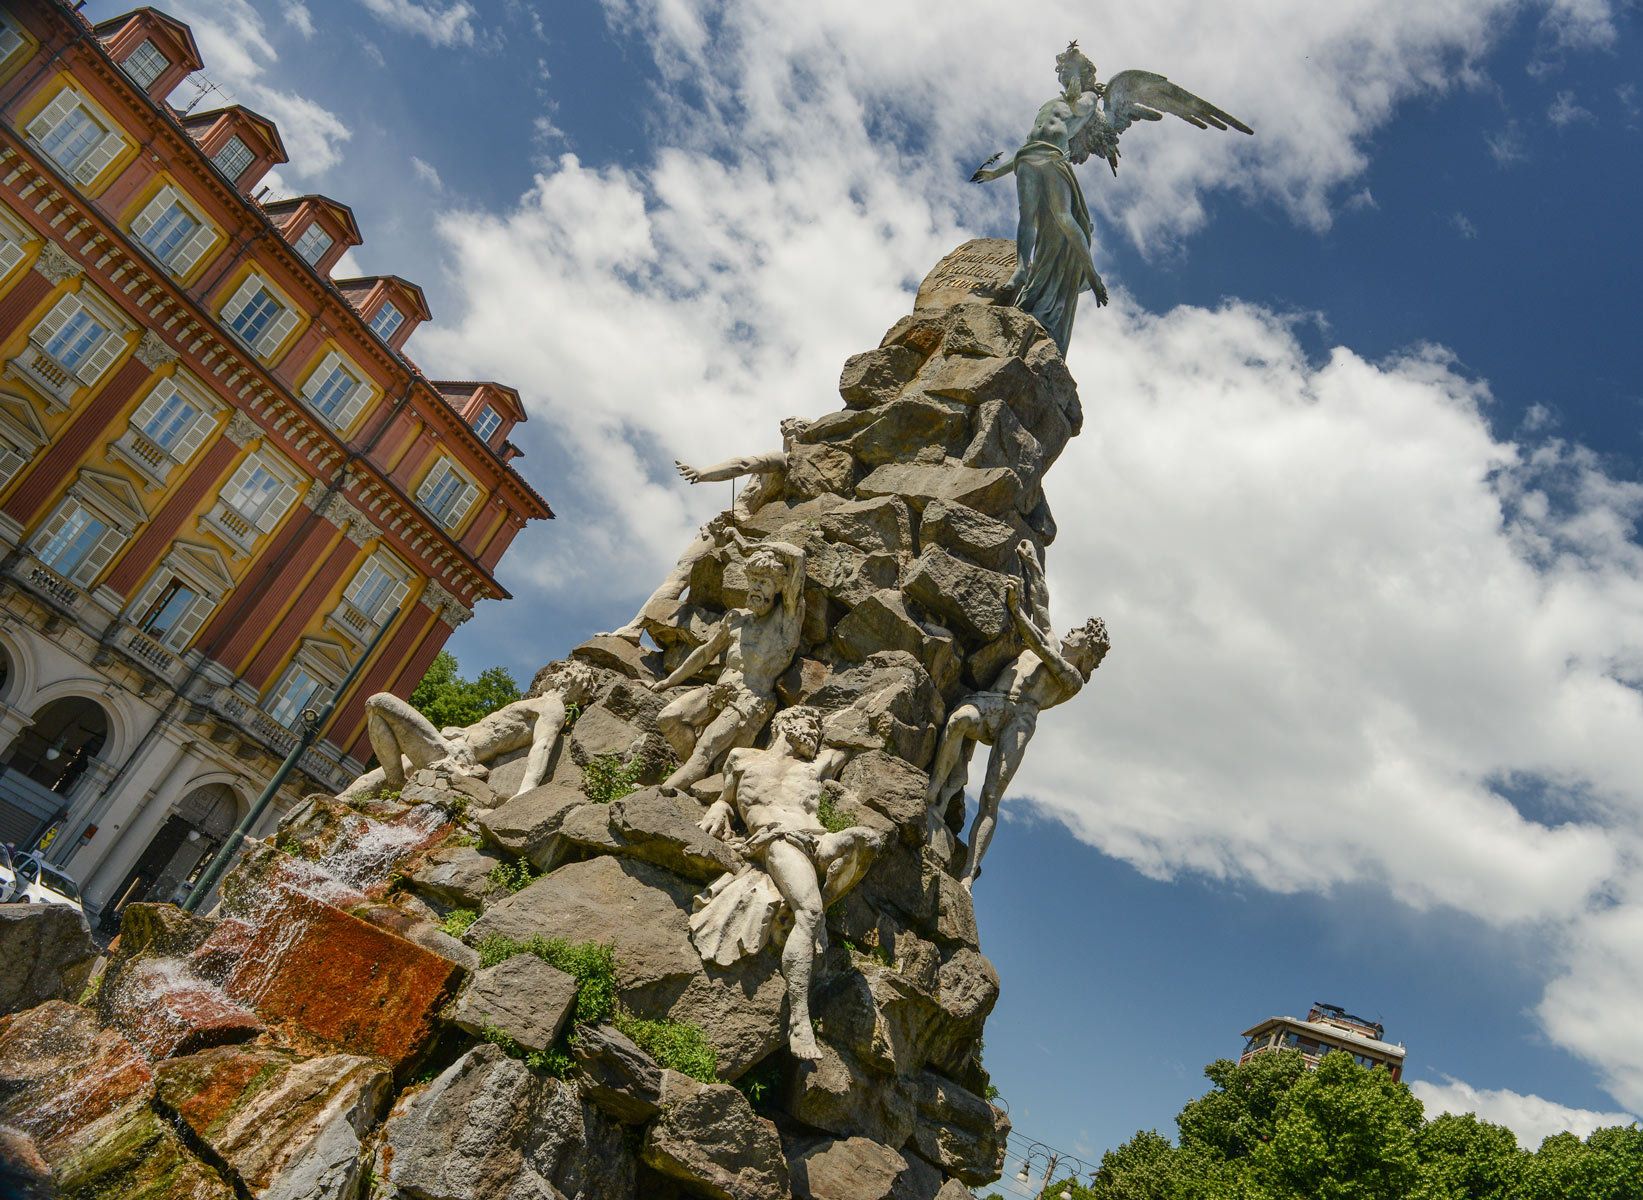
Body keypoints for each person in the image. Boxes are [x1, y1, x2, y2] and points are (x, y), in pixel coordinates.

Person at [689, 707, 885, 1060]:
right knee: (808, 912)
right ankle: (799, 1020)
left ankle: (822, 903)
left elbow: (859, 741)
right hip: (778, 839)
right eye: (808, 723)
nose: (814, 732)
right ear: (784, 722)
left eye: (818, 729)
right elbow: (725, 799)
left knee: (868, 841)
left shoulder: (815, 766)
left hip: (819, 839)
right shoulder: (742, 758)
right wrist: (720, 807)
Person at [926, 541, 1110, 890]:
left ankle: (968, 874)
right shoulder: (1052, 639)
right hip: (995, 701)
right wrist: (1031, 561)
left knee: (991, 797)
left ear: (1086, 648)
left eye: (1079, 632)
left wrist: (1014, 609)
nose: (1072, 630)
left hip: (1020, 721)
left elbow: (1039, 645)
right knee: (957, 721)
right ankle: (934, 794)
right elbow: (1041, 600)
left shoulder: (1072, 679)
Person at [607, 418, 811, 643]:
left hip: (732, 524)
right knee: (684, 576)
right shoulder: (800, 471)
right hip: (742, 527)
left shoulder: (781, 459)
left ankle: (636, 627)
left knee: (681, 574)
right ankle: (639, 627)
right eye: (789, 430)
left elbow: (742, 465)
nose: (789, 434)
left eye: (792, 430)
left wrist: (703, 474)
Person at [647, 537, 805, 791]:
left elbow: (797, 556)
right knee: (668, 718)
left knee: (706, 748)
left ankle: (666, 791)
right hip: (718, 690)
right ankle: (696, 771)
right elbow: (705, 653)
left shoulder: (787, 618)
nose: (756, 588)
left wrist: (755, 547)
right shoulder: (736, 619)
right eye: (753, 580)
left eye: (764, 583)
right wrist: (669, 681)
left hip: (750, 699)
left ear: (777, 587)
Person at [348, 662, 598, 800]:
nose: (557, 676)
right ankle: (386, 784)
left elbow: (543, 745)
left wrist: (526, 791)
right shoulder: (537, 703)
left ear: (572, 685)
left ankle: (396, 783)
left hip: (454, 756)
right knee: (366, 782)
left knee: (379, 702)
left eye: (567, 675)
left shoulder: (552, 706)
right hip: (447, 743)